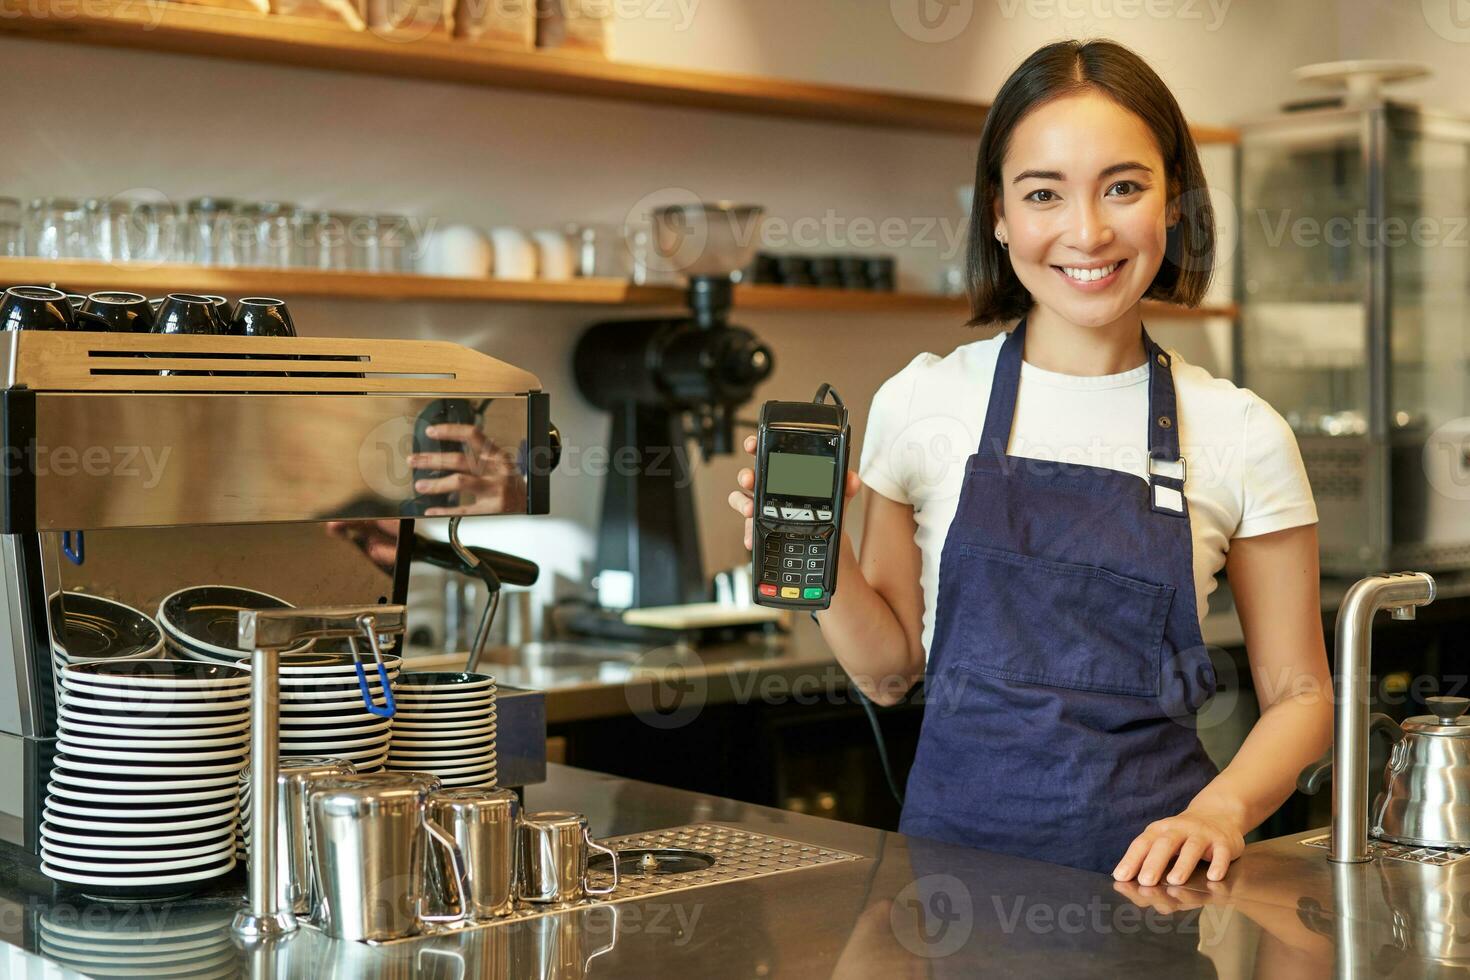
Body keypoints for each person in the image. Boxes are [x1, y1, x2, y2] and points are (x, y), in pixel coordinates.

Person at [728, 38, 1333, 884]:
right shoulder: (922, 401)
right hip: (945, 897)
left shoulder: (1240, 431)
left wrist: (1219, 811)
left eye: (1123, 187)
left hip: (1154, 894)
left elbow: (1302, 701)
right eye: (1043, 192)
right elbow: (891, 671)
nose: (1086, 231)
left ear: (1174, 205)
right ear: (999, 214)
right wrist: (818, 562)